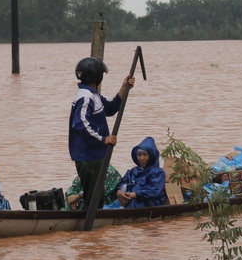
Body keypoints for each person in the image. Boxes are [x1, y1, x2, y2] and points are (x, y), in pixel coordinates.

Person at [68, 56, 134, 210]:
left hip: (95, 155)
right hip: (88, 155)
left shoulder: (93, 95)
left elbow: (110, 108)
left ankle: (95, 233)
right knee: (93, 198)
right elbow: (80, 124)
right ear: (96, 77)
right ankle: (89, 224)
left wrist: (124, 88)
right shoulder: (85, 97)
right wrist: (102, 139)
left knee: (96, 197)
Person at [116, 136, 169, 208]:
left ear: (151, 156)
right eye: (139, 155)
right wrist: (119, 192)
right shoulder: (132, 171)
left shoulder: (158, 173)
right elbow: (123, 183)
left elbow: (154, 190)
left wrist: (135, 194)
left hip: (150, 206)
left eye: (145, 155)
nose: (141, 158)